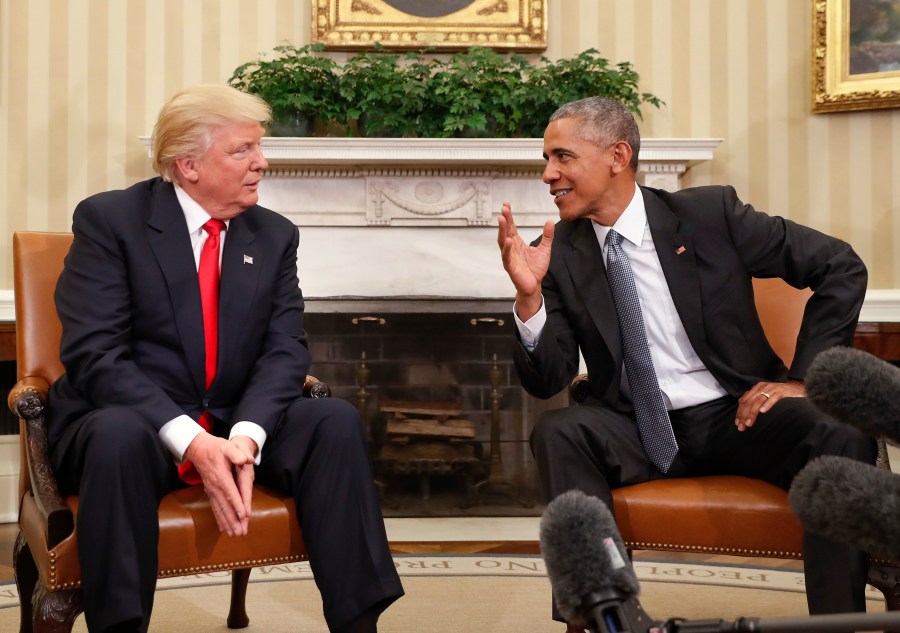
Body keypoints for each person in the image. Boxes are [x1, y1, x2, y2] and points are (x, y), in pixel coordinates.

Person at [497, 96, 876, 631]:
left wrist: (802, 381)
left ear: (617, 155)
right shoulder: (556, 252)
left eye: (561, 157)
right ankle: (607, 615)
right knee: (560, 429)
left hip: (737, 415)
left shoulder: (710, 215)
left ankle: (840, 623)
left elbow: (839, 266)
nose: (547, 174)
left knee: (839, 430)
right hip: (633, 425)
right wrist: (530, 300)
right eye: (546, 160)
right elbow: (549, 379)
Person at [47, 84, 403, 633]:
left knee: (332, 420)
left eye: (259, 148)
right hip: (135, 425)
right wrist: (191, 439)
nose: (261, 162)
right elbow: (96, 355)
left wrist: (247, 435)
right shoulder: (111, 221)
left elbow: (286, 348)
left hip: (234, 414)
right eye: (243, 150)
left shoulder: (273, 234)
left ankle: (359, 622)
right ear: (188, 164)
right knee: (117, 434)